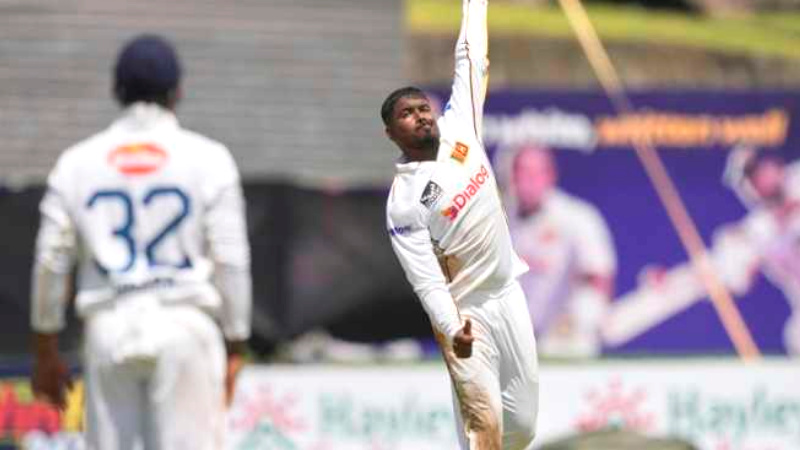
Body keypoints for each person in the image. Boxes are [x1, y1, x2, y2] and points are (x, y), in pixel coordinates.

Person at [29, 34, 252, 449]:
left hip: (109, 328)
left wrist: (45, 349)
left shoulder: (77, 162)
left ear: (116, 90)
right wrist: (236, 341)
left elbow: (50, 260)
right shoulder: (209, 158)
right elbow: (232, 259)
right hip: (186, 324)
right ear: (178, 91)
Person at [382, 0, 539, 448]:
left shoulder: (461, 128)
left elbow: (471, 54)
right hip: (465, 311)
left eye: (422, 107)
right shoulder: (404, 202)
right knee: (482, 430)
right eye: (407, 114)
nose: (421, 115)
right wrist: (451, 327)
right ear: (391, 134)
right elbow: (426, 279)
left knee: (523, 427)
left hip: (507, 291)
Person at [603, 146, 800, 355]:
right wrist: (671, 281)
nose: (763, 177)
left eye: (761, 167)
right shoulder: (757, 231)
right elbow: (720, 274)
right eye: (751, 176)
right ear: (745, 189)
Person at [507, 145, 616, 358]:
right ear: (512, 176)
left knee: (587, 306)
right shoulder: (497, 218)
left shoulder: (577, 217)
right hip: (518, 333)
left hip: (563, 334)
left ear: (550, 176)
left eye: (536, 173)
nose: (529, 180)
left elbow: (599, 277)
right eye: (523, 172)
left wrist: (578, 323)